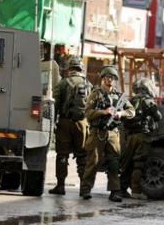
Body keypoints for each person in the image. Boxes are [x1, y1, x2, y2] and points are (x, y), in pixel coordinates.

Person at [79, 65, 135, 202]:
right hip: (97, 132)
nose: (110, 80)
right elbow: (88, 113)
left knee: (114, 163)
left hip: (113, 133)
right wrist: (104, 112)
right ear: (103, 78)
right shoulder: (96, 94)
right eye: (107, 77)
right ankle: (85, 189)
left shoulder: (118, 96)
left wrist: (120, 113)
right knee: (93, 161)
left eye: (112, 78)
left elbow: (132, 111)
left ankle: (114, 191)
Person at [49, 56, 91, 196]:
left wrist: (53, 123)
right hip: (82, 124)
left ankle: (60, 186)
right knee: (82, 156)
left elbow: (55, 105)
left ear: (70, 68)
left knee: (62, 155)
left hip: (65, 123)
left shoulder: (63, 83)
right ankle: (84, 189)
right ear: (81, 68)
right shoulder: (88, 84)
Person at [120, 77, 162, 200]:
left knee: (126, 164)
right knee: (138, 164)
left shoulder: (130, 101)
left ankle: (121, 189)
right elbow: (158, 117)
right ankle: (136, 191)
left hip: (130, 136)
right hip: (143, 136)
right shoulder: (149, 101)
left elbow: (123, 117)